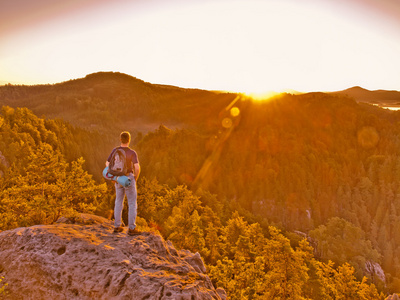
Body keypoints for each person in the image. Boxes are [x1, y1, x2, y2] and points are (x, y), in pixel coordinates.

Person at [106, 131, 141, 236]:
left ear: (120, 139)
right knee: (131, 203)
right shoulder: (132, 152)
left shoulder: (115, 150)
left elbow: (107, 163)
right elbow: (137, 167)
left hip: (118, 178)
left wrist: (113, 176)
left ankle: (117, 226)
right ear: (129, 140)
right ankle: (131, 228)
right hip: (128, 177)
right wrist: (135, 178)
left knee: (118, 202)